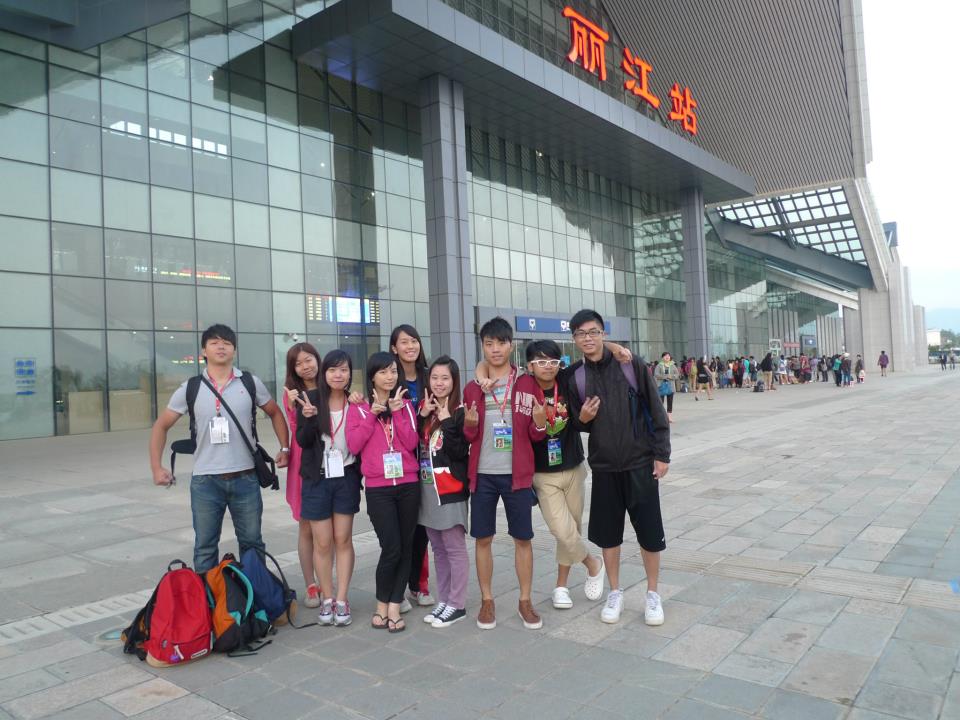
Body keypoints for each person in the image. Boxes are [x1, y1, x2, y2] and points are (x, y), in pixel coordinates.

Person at [149, 324, 289, 573]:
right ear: (204, 351)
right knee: (204, 548)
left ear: (234, 350)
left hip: (246, 477)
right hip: (206, 481)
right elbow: (161, 426)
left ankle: (256, 594)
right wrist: (156, 467)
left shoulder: (250, 383)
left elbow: (275, 413)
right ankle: (207, 597)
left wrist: (285, 448)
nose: (221, 346)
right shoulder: (191, 387)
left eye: (226, 342)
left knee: (253, 544)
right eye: (214, 342)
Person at [565, 309, 671, 625]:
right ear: (574, 339)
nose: (588, 338)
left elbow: (655, 408)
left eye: (593, 332)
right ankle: (615, 592)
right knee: (609, 536)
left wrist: (662, 454)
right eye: (581, 333)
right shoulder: (575, 377)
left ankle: (653, 594)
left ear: (603, 333)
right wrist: (582, 419)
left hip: (640, 463)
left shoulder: (630, 364)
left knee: (649, 533)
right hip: (605, 467)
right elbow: (576, 423)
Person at [463, 317, 545, 631]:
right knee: (483, 538)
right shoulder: (473, 388)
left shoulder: (527, 384)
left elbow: (536, 435)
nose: (495, 349)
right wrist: (470, 425)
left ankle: (525, 600)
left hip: (517, 475)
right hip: (482, 475)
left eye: (501, 343)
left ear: (511, 345)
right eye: (489, 343)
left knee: (523, 538)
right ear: (482, 346)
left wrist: (540, 423)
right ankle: (487, 600)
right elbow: (469, 437)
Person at [520, 340, 605, 611]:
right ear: (530, 365)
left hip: (573, 466)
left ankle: (561, 586)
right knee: (561, 529)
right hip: (543, 473)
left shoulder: (566, 381)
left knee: (572, 528)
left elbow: (593, 355)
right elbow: (489, 368)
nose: (548, 367)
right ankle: (593, 563)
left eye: (553, 361)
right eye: (541, 361)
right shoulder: (524, 388)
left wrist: (617, 348)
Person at [346, 352, 420, 633]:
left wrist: (398, 412)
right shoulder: (359, 408)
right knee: (391, 547)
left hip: (408, 485)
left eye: (393, 371)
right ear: (372, 377)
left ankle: (393, 606)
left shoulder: (406, 405)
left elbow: (411, 442)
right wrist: (373, 414)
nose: (390, 377)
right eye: (383, 372)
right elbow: (354, 445)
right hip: (379, 488)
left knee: (406, 546)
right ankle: (381, 603)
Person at [289, 349, 361, 626]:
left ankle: (342, 599)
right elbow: (303, 441)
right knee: (322, 542)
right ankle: (327, 597)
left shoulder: (355, 402)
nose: (338, 375)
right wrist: (307, 418)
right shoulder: (310, 399)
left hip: (346, 478)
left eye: (343, 370)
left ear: (350, 373)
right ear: (324, 373)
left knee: (343, 539)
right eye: (332, 370)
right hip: (316, 479)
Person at [417, 356, 470, 628]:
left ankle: (457, 604)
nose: (439, 383)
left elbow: (460, 452)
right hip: (427, 490)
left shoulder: (460, 411)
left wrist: (448, 421)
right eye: (435, 378)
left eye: (445, 378)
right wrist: (422, 416)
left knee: (454, 548)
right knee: (437, 548)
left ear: (454, 381)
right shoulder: (425, 410)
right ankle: (445, 599)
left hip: (450, 489)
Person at [389, 324, 434, 609]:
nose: (410, 346)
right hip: (399, 462)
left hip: (428, 459)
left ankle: (419, 584)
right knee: (400, 529)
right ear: (394, 348)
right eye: (404, 342)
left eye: (414, 341)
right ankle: (398, 587)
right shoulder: (388, 378)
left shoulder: (430, 376)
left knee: (422, 528)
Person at [281, 343, 321, 608]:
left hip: (328, 460)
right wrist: (292, 407)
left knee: (328, 527)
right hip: (302, 463)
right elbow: (295, 431)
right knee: (306, 525)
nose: (305, 366)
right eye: (298, 363)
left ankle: (326, 580)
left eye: (308, 360)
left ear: (317, 359)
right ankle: (311, 585)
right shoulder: (291, 393)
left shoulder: (331, 385)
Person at [654, 352, 679, 422]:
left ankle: (669, 417)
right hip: (661, 386)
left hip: (671, 386)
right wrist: (665, 376)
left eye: (668, 356)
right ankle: (661, 417)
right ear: (662, 357)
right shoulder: (659, 365)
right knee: (660, 402)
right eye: (665, 356)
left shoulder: (673, 365)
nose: (667, 357)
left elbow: (677, 374)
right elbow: (656, 374)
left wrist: (671, 376)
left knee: (670, 402)